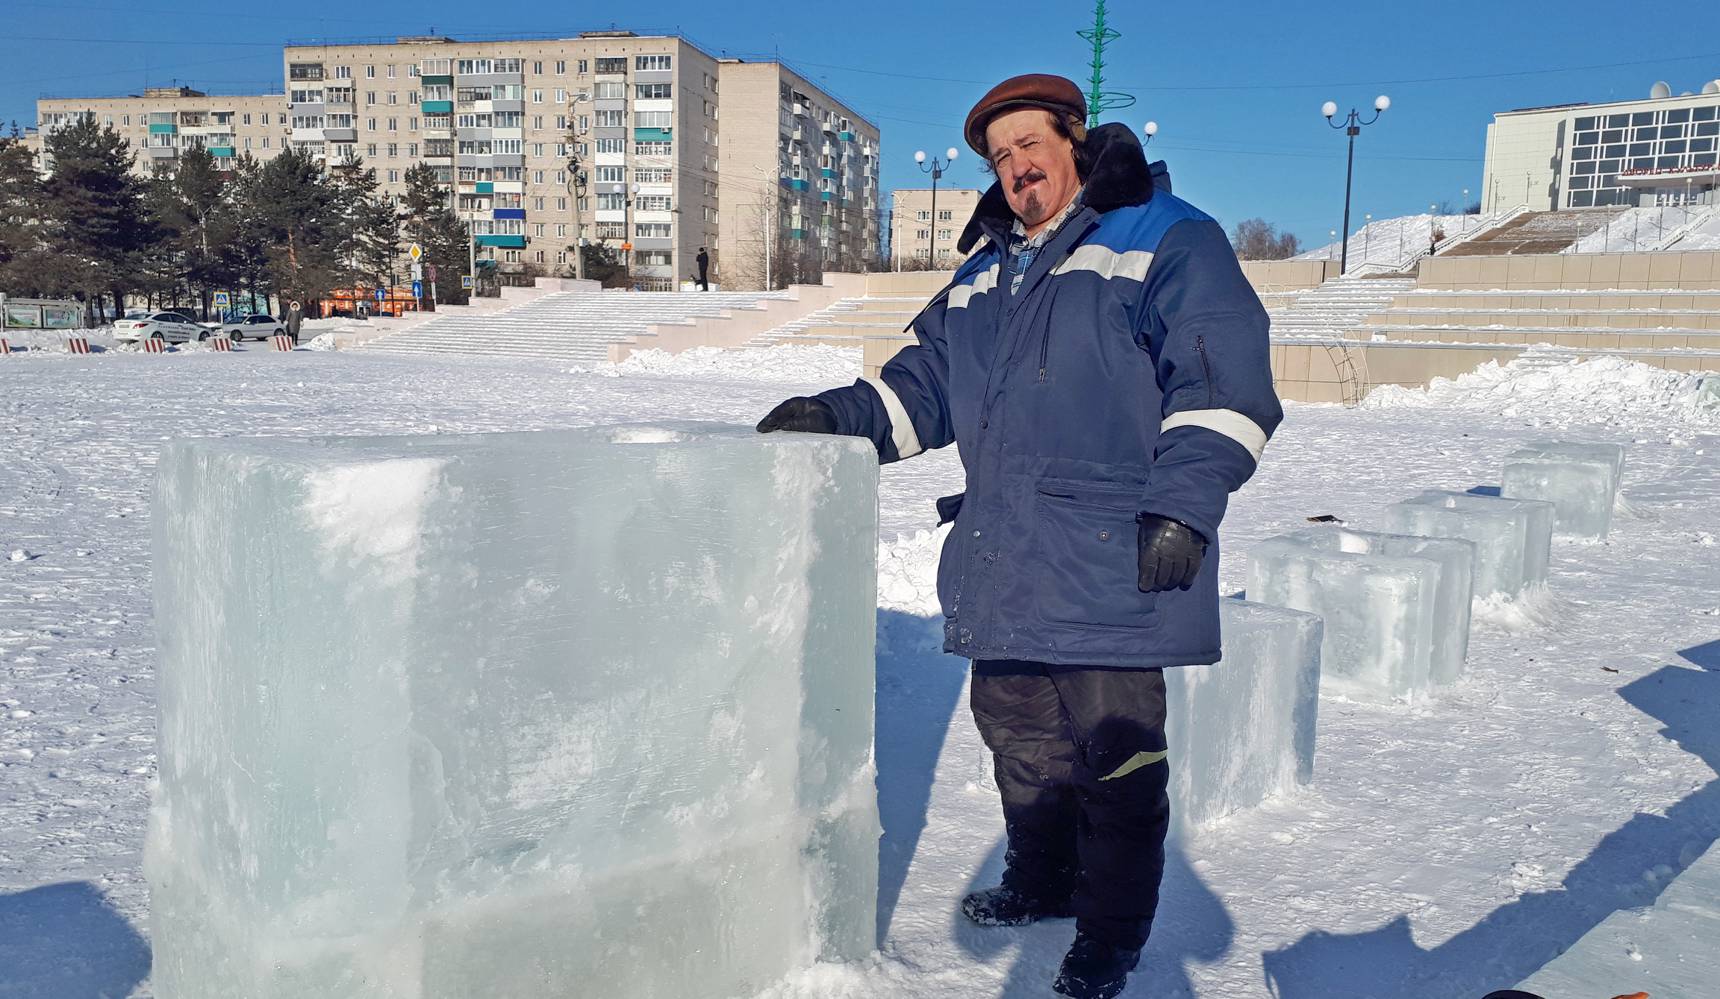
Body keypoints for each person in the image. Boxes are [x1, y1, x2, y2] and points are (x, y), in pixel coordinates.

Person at [757, 73, 1281, 999]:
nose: (1015, 170)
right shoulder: (984, 272)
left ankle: (1109, 938)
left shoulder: (1165, 235)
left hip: (1111, 558)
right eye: (999, 159)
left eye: (1028, 146)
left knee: (1116, 755)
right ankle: (1042, 882)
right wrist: (837, 418)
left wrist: (1185, 504)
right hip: (1007, 554)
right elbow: (922, 385)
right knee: (1018, 736)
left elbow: (1222, 376)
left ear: (1076, 139)